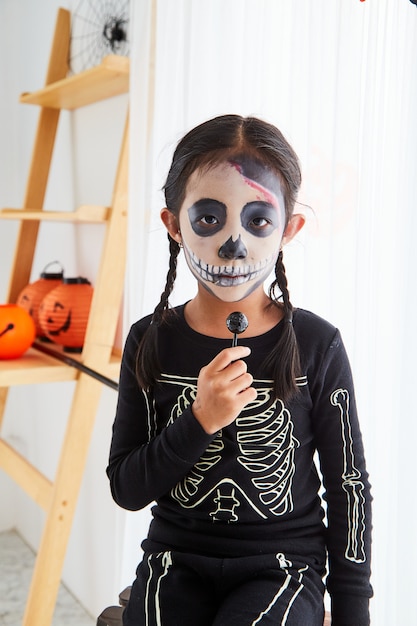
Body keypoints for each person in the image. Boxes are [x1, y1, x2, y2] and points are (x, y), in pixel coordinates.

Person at [107, 114, 373, 626]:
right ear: (173, 224)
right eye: (209, 219)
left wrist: (352, 611)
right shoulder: (150, 340)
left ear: (288, 229)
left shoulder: (318, 345)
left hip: (283, 568)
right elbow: (127, 488)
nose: (234, 245)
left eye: (258, 221)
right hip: (174, 561)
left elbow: (348, 485)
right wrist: (199, 420)